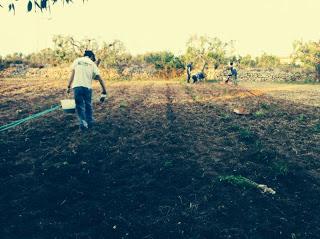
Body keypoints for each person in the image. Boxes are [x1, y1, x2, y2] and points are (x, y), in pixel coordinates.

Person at [67, 50, 107, 131]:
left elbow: (72, 74)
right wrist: (104, 90)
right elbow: (99, 78)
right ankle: (90, 122)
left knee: (79, 106)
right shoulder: (92, 64)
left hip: (77, 87)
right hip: (87, 88)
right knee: (88, 105)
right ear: (91, 57)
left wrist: (68, 86)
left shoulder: (77, 61)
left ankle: (83, 124)